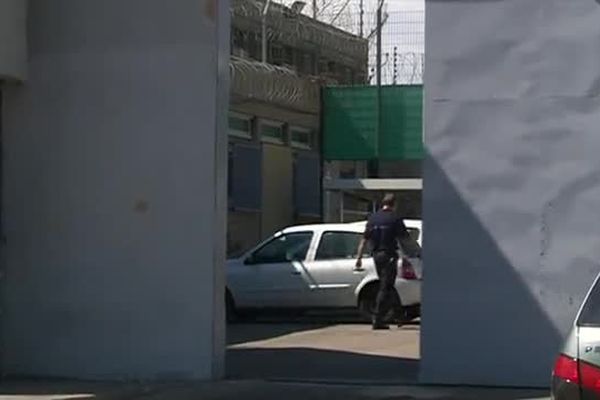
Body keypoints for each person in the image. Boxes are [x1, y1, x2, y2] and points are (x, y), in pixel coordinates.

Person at [355, 193, 415, 330]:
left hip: (377, 256)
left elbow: (364, 239)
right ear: (395, 204)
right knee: (385, 286)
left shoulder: (373, 218)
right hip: (389, 256)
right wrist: (414, 253)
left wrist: (359, 258)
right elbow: (405, 239)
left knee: (387, 284)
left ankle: (399, 315)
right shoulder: (395, 218)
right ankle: (377, 319)